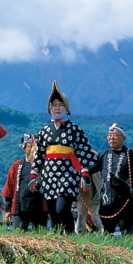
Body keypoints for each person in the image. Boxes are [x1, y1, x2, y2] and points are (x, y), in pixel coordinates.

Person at [29, 81, 96, 234]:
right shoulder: (44, 131)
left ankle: (70, 234)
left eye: (60, 105)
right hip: (49, 175)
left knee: (61, 208)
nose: (57, 108)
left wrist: (84, 173)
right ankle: (59, 240)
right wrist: (34, 174)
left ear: (66, 107)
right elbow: (39, 154)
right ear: (50, 108)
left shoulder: (74, 129)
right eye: (54, 105)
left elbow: (83, 151)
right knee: (53, 212)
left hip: (68, 174)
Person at [89, 123, 133, 235]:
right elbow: (90, 168)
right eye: (109, 135)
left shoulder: (130, 155)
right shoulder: (103, 155)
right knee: (107, 230)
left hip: (126, 198)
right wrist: (80, 171)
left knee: (126, 229)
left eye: (115, 135)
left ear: (123, 138)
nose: (111, 138)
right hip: (107, 198)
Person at [2, 134, 46, 231]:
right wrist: (8, 210)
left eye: (36, 147)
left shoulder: (44, 166)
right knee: (18, 233)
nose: (33, 149)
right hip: (20, 206)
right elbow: (9, 187)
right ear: (24, 148)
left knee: (41, 236)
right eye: (30, 146)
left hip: (39, 207)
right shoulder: (16, 166)